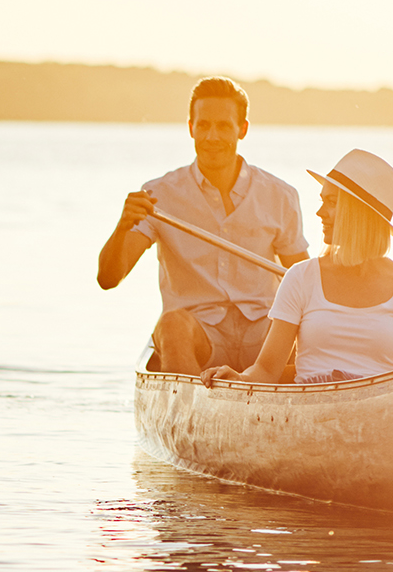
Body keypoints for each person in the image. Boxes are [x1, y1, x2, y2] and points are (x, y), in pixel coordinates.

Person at [98, 77, 310, 375]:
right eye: (204, 125)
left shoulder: (280, 195)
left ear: (242, 129)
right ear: (191, 128)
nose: (212, 136)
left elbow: (305, 281)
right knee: (171, 324)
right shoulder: (159, 195)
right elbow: (108, 278)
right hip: (199, 338)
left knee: (301, 322)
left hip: (265, 337)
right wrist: (122, 227)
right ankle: (189, 412)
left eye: (223, 126)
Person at [201, 149, 393, 386]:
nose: (320, 213)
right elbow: (266, 369)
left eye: (332, 203)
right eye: (322, 201)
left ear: (360, 213)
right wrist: (239, 378)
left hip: (378, 412)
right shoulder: (301, 278)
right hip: (307, 408)